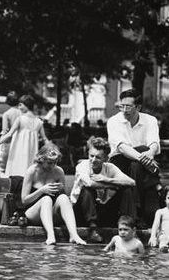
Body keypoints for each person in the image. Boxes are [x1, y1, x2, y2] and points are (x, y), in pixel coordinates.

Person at [107, 88, 162, 227]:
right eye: (122, 105)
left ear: (138, 107)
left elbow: (154, 143)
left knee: (137, 164)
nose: (124, 110)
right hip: (119, 162)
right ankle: (157, 185)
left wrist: (149, 153)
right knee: (141, 154)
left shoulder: (150, 120)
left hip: (140, 166)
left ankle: (134, 213)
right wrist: (146, 159)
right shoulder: (113, 121)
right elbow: (122, 148)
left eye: (128, 106)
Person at [70, 137, 136, 243]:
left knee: (126, 190)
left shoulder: (110, 167)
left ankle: (129, 226)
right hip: (81, 212)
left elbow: (131, 182)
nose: (93, 160)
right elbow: (90, 183)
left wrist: (107, 179)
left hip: (102, 210)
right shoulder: (82, 166)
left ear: (106, 158)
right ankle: (93, 230)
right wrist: (111, 185)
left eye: (98, 157)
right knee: (87, 190)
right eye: (91, 156)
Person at [21, 143, 86, 245]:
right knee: (46, 199)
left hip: (51, 212)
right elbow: (24, 200)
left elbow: (61, 199)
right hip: (33, 212)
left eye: (55, 162)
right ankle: (51, 236)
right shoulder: (32, 171)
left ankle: (74, 235)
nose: (52, 166)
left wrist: (61, 189)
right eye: (49, 162)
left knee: (64, 198)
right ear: (41, 159)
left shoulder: (59, 171)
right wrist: (41, 190)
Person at [0, 95, 47, 177]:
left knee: (17, 172)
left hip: (18, 150)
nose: (19, 107)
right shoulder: (39, 121)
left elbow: (9, 134)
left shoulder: (20, 119)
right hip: (32, 152)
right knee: (29, 172)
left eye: (20, 105)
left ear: (27, 105)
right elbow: (44, 139)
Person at [0, 91, 21, 175]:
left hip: (8, 142)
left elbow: (5, 131)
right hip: (20, 142)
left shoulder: (7, 114)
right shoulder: (23, 113)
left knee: (3, 168)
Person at [149, 188, 169, 252]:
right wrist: (153, 236)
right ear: (165, 200)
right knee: (163, 238)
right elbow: (155, 225)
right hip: (164, 236)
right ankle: (164, 249)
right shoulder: (161, 212)